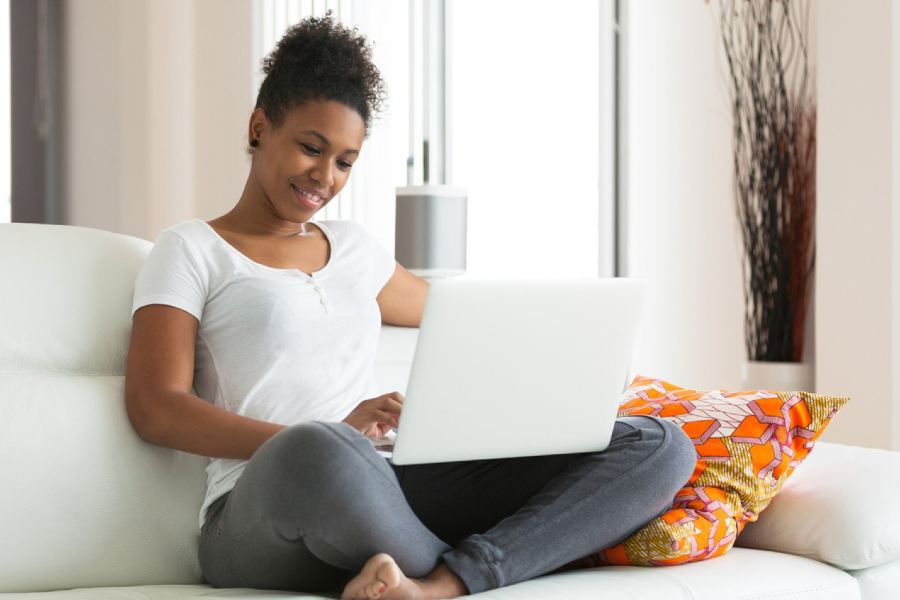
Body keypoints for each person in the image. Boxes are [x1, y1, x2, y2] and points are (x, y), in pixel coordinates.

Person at [124, 11, 697, 600]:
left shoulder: (355, 250)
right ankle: (468, 566)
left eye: (345, 161)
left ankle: (440, 582)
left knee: (659, 444)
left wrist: (572, 351)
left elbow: (464, 321)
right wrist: (329, 431)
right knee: (319, 448)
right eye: (311, 148)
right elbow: (155, 408)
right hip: (262, 508)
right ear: (259, 127)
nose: (325, 176)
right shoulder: (191, 249)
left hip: (383, 484)